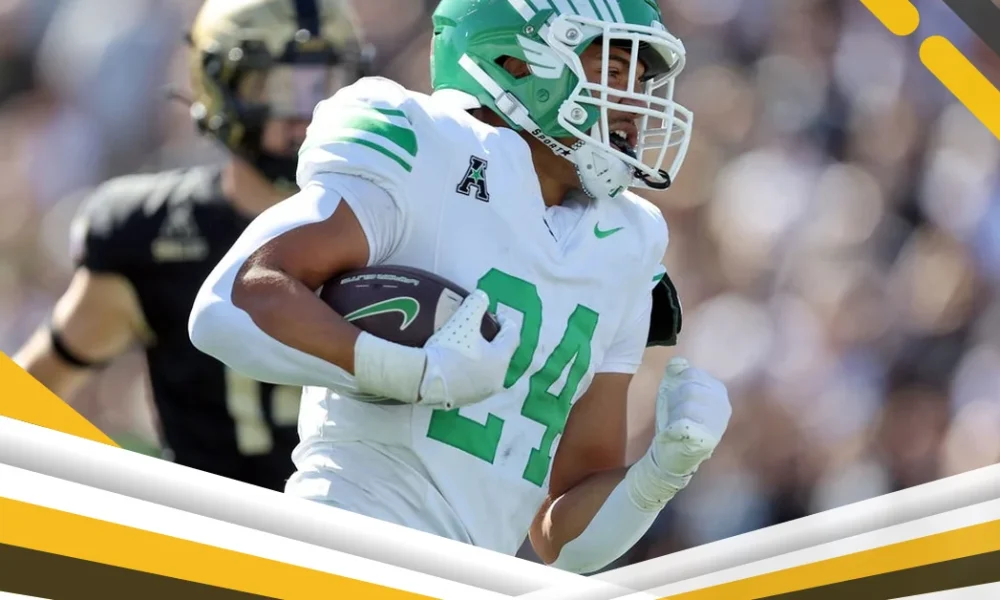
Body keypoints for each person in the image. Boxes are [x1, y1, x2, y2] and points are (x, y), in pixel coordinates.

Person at [189, 0, 732, 574]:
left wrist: (658, 475)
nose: (635, 103)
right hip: (341, 548)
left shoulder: (629, 241)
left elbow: (563, 543)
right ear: (516, 63)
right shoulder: (429, 146)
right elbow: (232, 301)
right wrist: (412, 373)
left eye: (641, 81)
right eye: (613, 72)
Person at [12, 0, 372, 492]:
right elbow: (29, 397)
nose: (306, 114)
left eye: (326, 85)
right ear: (220, 86)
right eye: (277, 86)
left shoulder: (396, 222)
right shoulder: (153, 234)